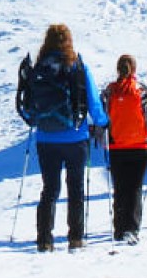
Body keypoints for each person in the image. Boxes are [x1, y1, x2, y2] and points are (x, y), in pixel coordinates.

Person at [15, 23, 109, 253]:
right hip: (76, 137)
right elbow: (94, 104)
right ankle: (75, 238)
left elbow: (28, 106)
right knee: (75, 188)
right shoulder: (77, 66)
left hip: (46, 139)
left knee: (50, 189)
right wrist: (102, 122)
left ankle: (44, 240)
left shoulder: (38, 68)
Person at [101, 54, 147, 244]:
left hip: (117, 146)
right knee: (134, 188)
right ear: (134, 69)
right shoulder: (142, 91)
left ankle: (119, 228)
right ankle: (132, 228)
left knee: (120, 188)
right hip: (140, 147)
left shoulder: (109, 92)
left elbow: (102, 118)